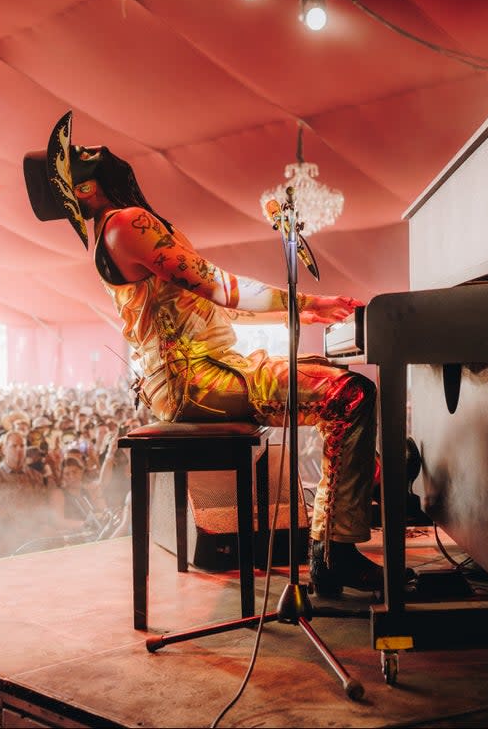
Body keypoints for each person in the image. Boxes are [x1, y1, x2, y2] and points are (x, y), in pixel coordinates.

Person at [23, 111, 381, 595]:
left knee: (336, 384)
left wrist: (303, 313)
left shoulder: (113, 230)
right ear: (82, 190)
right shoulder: (128, 223)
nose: (96, 152)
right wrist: (306, 303)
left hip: (194, 375)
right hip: (198, 379)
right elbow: (220, 287)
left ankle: (332, 541)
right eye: (81, 156)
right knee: (349, 394)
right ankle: (334, 552)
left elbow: (216, 305)